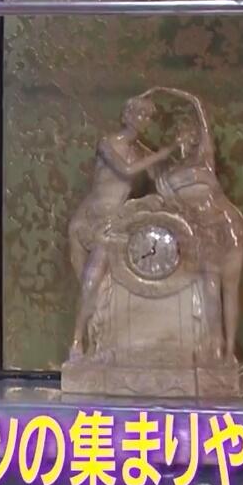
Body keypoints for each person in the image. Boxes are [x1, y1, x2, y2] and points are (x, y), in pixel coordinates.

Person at [67, 95, 175, 357]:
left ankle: (88, 340)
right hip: (89, 219)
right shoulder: (107, 143)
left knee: (95, 281)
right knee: (89, 281)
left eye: (147, 116)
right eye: (139, 114)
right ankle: (80, 340)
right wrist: (162, 153)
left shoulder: (142, 151)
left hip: (113, 220)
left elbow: (159, 176)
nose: (143, 120)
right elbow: (126, 170)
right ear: (126, 115)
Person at [148, 88, 243, 361]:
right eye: (179, 132)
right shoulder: (166, 174)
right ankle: (216, 347)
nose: (184, 136)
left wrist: (165, 91)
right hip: (200, 231)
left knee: (230, 288)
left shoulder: (204, 157)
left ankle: (230, 350)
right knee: (210, 289)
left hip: (226, 224)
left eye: (188, 132)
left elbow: (198, 105)